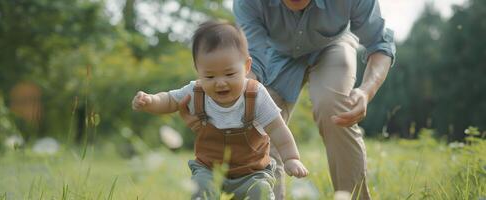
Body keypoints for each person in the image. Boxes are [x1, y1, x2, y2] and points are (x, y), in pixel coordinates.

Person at [231, 0, 396, 199]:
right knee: (258, 120)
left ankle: (352, 196)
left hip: (334, 43)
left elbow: (379, 43)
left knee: (333, 108)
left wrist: (366, 91)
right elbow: (252, 62)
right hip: (275, 52)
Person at [132, 21, 309, 200]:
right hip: (209, 170)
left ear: (246, 67)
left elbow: (277, 129)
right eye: (209, 76)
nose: (220, 82)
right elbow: (170, 100)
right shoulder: (196, 92)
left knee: (260, 191)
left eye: (230, 74)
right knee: (201, 189)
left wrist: (291, 158)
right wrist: (151, 101)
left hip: (252, 172)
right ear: (198, 71)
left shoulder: (256, 95)